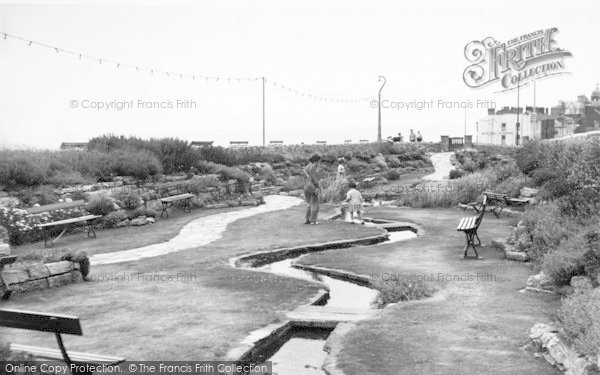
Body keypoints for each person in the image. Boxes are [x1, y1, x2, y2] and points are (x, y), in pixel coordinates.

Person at [304, 153, 322, 224]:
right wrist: (318, 187)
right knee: (315, 203)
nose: (319, 162)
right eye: (319, 161)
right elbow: (313, 178)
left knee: (309, 203)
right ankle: (313, 220)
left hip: (306, 186)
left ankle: (307, 219)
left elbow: (307, 176)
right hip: (312, 187)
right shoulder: (313, 167)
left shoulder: (307, 166)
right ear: (316, 160)